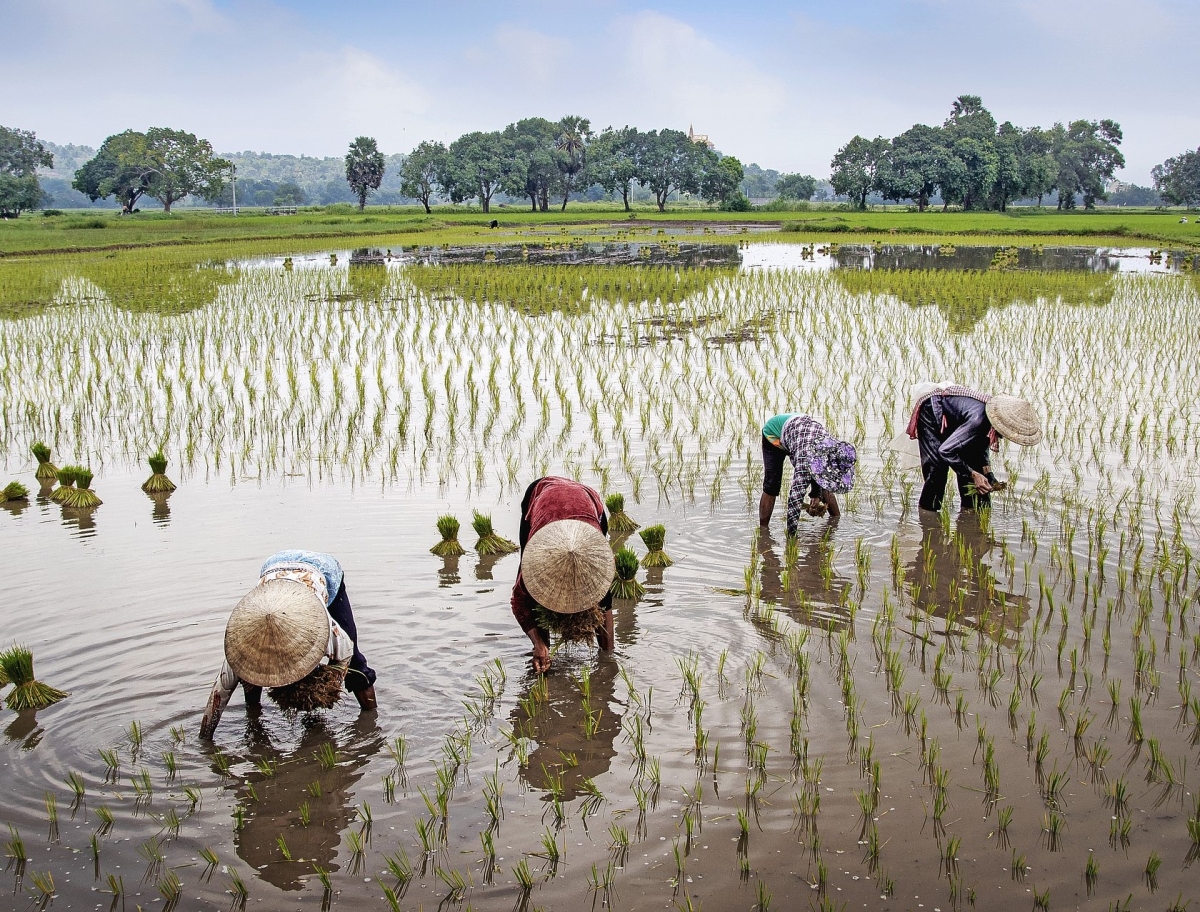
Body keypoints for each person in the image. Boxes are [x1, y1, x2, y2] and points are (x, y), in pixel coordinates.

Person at [199, 550, 377, 739]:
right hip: (273, 568)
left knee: (357, 667)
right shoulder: (240, 650)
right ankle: (254, 718)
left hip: (323, 569)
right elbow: (218, 698)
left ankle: (372, 725)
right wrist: (205, 738)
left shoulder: (325, 629)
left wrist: (326, 686)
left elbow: (346, 654)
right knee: (249, 676)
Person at [511, 477, 616, 673]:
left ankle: (607, 651)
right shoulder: (536, 561)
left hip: (587, 499)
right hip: (543, 495)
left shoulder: (597, 561)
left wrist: (608, 659)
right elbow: (519, 602)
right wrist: (538, 643)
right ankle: (543, 652)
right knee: (533, 594)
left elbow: (605, 601)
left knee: (600, 591)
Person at [905, 385, 1042, 512]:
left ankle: (971, 511)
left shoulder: (989, 423)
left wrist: (988, 474)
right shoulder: (979, 420)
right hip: (932, 410)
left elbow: (981, 448)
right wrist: (974, 475)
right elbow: (945, 451)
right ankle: (928, 515)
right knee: (937, 471)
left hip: (960, 419)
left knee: (975, 468)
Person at [758, 413, 858, 535]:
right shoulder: (805, 461)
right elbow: (795, 500)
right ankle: (763, 532)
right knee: (772, 485)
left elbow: (821, 475)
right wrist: (792, 539)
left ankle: (835, 524)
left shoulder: (833, 449)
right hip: (774, 434)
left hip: (801, 435)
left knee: (826, 482)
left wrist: (816, 495)